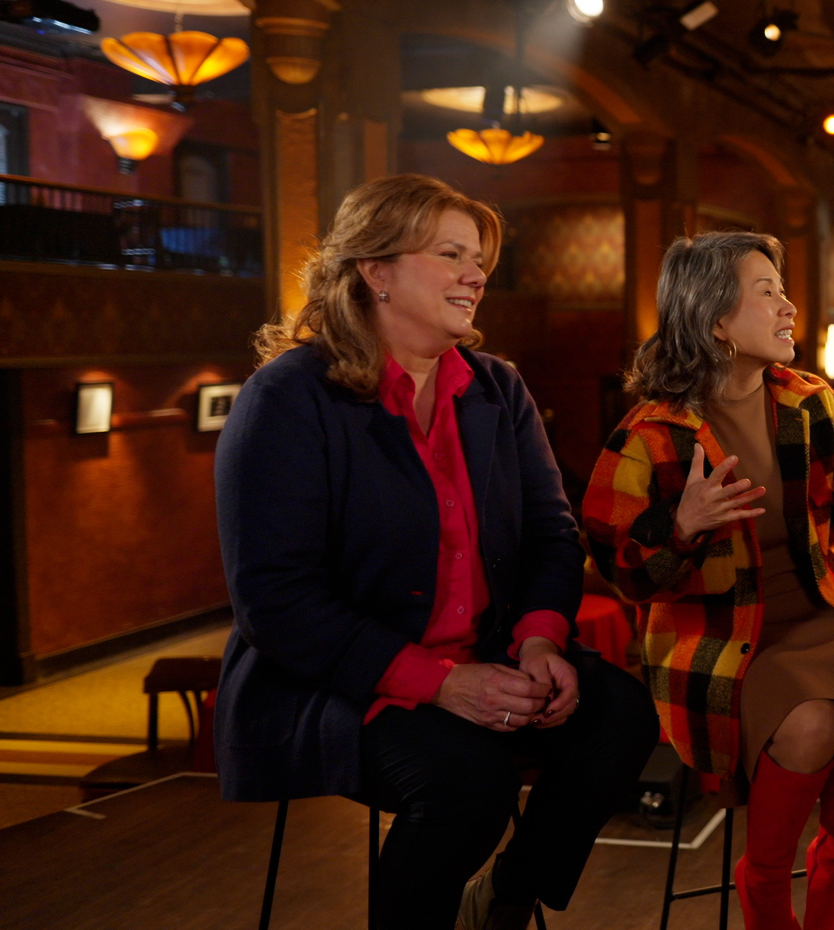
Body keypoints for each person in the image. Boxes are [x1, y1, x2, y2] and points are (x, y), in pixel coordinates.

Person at [214, 174, 654, 930]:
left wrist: (540, 642)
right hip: (339, 681)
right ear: (375, 270)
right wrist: (443, 685)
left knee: (622, 716)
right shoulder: (287, 397)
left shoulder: (498, 388)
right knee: (469, 785)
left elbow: (552, 535)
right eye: (451, 254)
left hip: (488, 654)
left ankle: (504, 901)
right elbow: (275, 602)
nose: (475, 274)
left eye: (478, 259)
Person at [582, 231, 834, 930]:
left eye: (783, 291)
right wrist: (680, 526)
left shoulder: (810, 401)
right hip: (720, 630)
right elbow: (618, 570)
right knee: (809, 724)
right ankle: (766, 882)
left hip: (824, 606)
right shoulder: (650, 433)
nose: (789, 308)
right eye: (768, 292)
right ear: (716, 319)